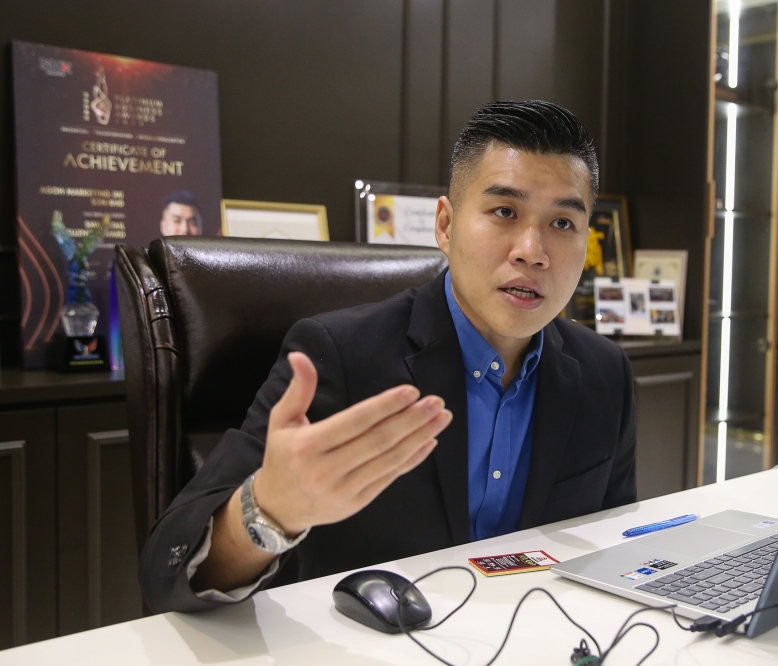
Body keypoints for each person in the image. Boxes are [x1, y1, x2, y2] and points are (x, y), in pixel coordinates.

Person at [139, 100, 637, 612]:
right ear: (444, 225)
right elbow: (165, 571)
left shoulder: (604, 373)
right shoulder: (339, 357)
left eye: (562, 223)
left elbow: (616, 545)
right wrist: (269, 510)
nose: (532, 250)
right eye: (504, 212)